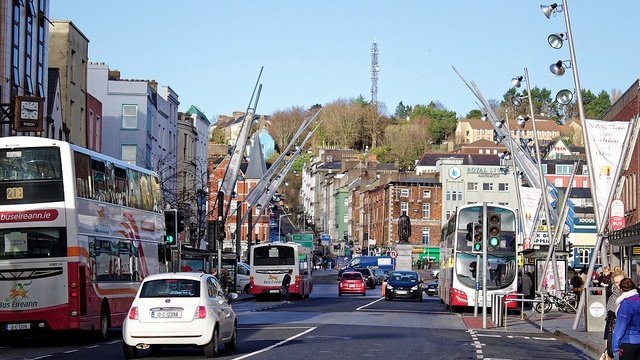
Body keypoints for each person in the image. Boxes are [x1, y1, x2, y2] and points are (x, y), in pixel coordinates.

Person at [610, 278, 640, 360]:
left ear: (621, 289)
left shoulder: (626, 304)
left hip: (628, 342)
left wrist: (615, 348)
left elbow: (620, 328)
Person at [604, 270, 625, 359]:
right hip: (615, 332)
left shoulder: (632, 294)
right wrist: (607, 339)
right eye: (616, 282)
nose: (619, 284)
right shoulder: (612, 297)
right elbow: (609, 320)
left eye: (621, 281)